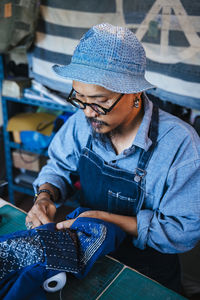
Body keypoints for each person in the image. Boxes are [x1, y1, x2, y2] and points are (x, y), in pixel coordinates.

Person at [26, 23, 200, 292]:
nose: (88, 112)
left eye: (99, 101)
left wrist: (106, 220)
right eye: (79, 98)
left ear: (134, 94)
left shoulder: (180, 145)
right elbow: (58, 167)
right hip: (89, 257)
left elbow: (182, 233)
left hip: (148, 272)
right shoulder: (80, 123)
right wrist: (45, 196)